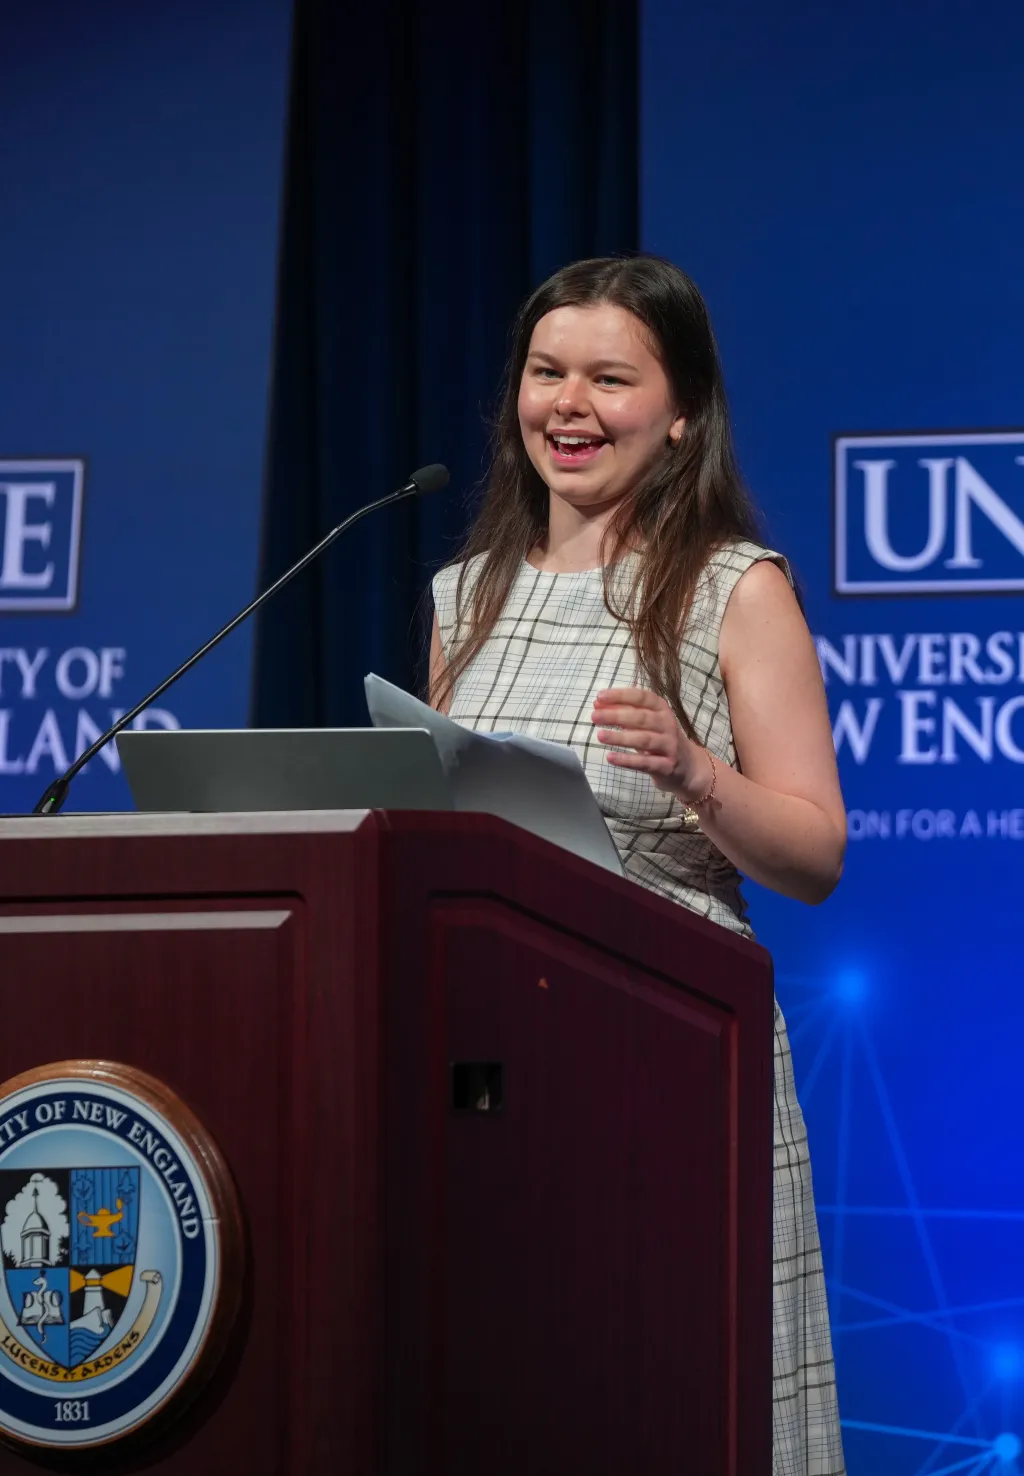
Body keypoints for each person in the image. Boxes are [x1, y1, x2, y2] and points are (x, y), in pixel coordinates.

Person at [429, 254, 846, 1476]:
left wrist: (695, 774)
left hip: (670, 1051)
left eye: (610, 378)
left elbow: (814, 854)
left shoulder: (731, 590)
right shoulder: (468, 595)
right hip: (501, 1068)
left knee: (674, 1395)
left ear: (683, 415)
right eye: (546, 372)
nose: (569, 404)